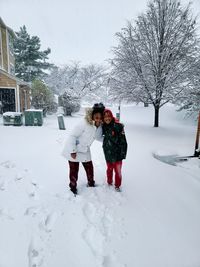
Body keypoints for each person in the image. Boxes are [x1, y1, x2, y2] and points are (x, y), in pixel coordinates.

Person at [62, 103, 105, 195]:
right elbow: (72, 136)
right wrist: (73, 151)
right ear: (92, 114)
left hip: (85, 149)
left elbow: (98, 137)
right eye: (96, 115)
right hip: (74, 148)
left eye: (100, 116)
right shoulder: (84, 122)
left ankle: (91, 183)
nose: (98, 118)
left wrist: (109, 140)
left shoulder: (99, 126)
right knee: (74, 170)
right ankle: (73, 187)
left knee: (89, 167)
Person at [102, 109, 127, 191]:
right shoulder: (103, 126)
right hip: (108, 152)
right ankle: (109, 182)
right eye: (105, 117)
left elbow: (124, 141)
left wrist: (123, 154)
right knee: (109, 169)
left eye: (109, 116)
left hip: (117, 154)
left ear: (111, 116)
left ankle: (117, 186)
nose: (107, 118)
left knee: (118, 171)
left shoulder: (118, 126)